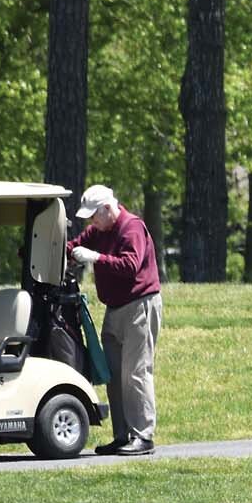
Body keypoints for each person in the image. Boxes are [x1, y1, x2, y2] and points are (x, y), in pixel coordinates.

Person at [68, 184, 163, 454]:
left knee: (136, 373)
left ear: (108, 209)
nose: (91, 222)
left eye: (93, 216)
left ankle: (143, 436)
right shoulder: (100, 229)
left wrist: (95, 258)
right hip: (115, 308)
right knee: (115, 374)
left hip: (139, 307)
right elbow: (75, 246)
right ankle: (123, 436)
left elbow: (130, 266)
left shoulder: (132, 227)